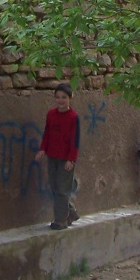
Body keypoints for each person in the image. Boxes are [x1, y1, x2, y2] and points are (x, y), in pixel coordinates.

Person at [35, 83, 80, 230]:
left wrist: (71, 160)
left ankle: (60, 220)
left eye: (64, 97)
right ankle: (71, 212)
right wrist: (42, 149)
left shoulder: (74, 117)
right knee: (55, 187)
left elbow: (75, 140)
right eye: (58, 97)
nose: (60, 100)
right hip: (52, 156)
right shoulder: (51, 114)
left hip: (65, 159)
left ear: (70, 98)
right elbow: (47, 133)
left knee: (63, 189)